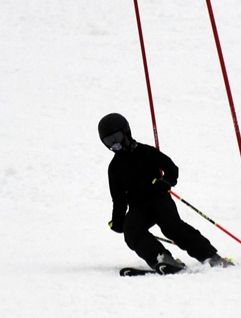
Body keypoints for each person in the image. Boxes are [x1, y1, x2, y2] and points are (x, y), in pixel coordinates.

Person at [98, 113, 233, 274]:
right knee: (132, 231)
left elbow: (171, 169)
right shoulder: (114, 167)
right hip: (138, 207)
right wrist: (118, 221)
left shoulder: (146, 152)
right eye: (109, 142)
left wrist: (166, 182)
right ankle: (161, 258)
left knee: (172, 227)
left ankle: (210, 256)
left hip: (159, 199)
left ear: (126, 132)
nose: (116, 144)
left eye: (117, 137)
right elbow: (118, 199)